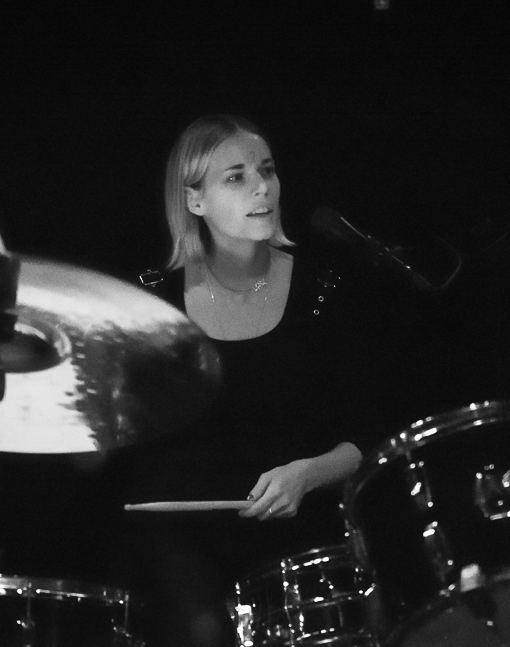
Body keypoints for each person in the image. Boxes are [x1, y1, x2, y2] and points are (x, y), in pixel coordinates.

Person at [115, 115, 388, 647]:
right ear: (195, 201)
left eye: (267, 171)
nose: (262, 187)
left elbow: (370, 433)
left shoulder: (323, 289)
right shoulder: (154, 303)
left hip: (301, 532)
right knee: (199, 630)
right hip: (182, 538)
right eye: (235, 177)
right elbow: (120, 435)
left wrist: (307, 474)